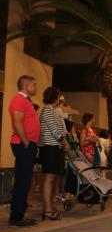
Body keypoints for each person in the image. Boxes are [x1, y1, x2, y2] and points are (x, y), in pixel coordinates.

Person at [8, 75, 41, 226]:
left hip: (28, 145)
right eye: (34, 85)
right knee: (22, 181)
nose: (36, 88)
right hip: (23, 144)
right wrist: (27, 142)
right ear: (26, 85)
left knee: (25, 181)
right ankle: (16, 217)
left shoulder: (26, 101)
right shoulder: (18, 100)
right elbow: (17, 122)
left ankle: (19, 214)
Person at [38, 87, 71, 221]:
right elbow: (55, 132)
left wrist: (64, 141)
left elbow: (61, 130)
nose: (60, 99)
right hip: (49, 148)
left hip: (55, 148)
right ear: (54, 97)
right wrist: (65, 143)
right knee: (49, 178)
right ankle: (47, 210)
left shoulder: (52, 111)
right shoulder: (47, 111)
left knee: (52, 179)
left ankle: (49, 206)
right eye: (59, 96)